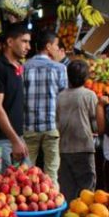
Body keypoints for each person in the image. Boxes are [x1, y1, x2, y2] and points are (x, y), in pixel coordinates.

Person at [22, 31, 68, 184]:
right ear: (48, 47)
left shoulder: (24, 67)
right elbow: (63, 99)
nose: (57, 49)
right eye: (56, 45)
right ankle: (53, 204)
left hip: (29, 127)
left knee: (25, 173)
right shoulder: (60, 68)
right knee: (52, 173)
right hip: (51, 126)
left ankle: (27, 205)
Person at [0, 24, 30, 169]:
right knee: (1, 187)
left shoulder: (17, 67)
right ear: (10, 42)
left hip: (14, 137)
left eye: (28, 42)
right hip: (0, 140)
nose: (28, 46)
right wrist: (15, 140)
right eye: (24, 41)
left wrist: (18, 139)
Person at [57, 60, 99, 201]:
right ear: (86, 78)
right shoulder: (89, 95)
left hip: (63, 148)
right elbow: (95, 123)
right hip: (84, 148)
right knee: (87, 190)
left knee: (67, 190)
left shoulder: (60, 96)